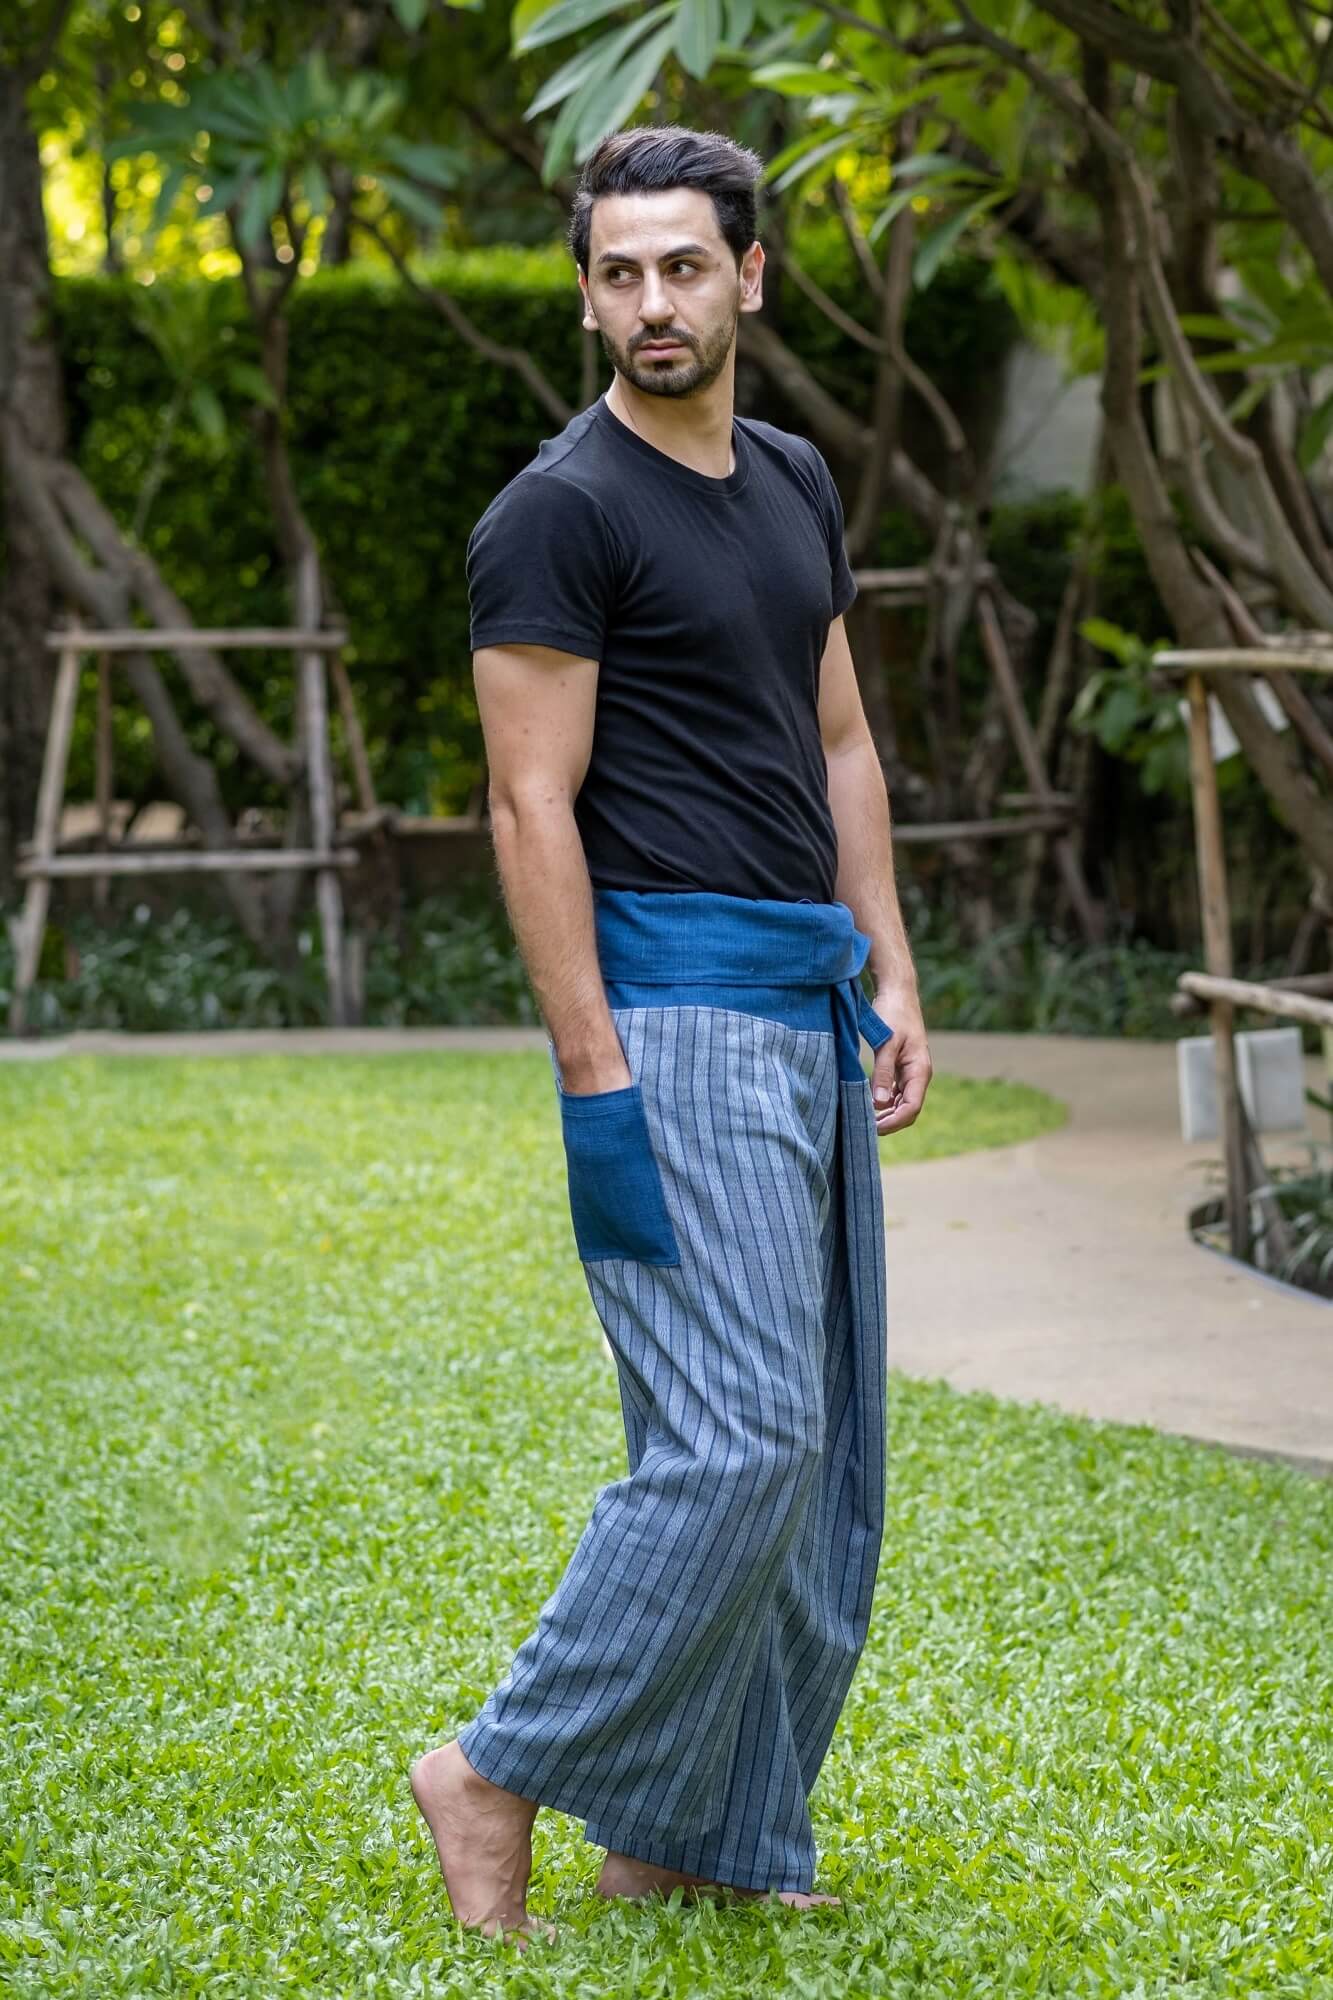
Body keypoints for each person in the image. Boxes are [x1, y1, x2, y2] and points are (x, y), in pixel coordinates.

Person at [411, 123, 932, 1943]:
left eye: (683, 267)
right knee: (737, 1445)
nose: (650, 301)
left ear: (750, 279)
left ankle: (695, 1828)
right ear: (584, 295)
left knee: (824, 1465)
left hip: (799, 999)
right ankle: (494, 1766)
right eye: (618, 272)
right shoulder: (556, 513)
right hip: (669, 1011)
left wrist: (889, 970)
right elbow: (524, 808)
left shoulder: (788, 475)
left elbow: (841, 741)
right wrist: (593, 1076)